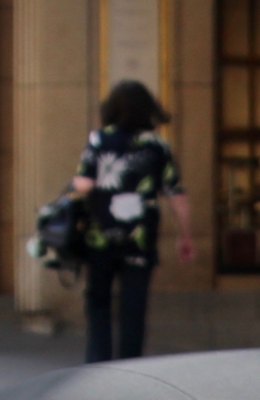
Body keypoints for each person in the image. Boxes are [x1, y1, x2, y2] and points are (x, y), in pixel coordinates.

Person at [71, 81, 194, 363]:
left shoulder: (99, 141)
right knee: (134, 305)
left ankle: (98, 363)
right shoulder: (157, 147)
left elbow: (85, 184)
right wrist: (185, 235)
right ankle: (130, 365)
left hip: (100, 235)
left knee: (99, 301)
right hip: (140, 238)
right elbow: (176, 193)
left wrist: (76, 186)